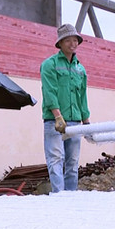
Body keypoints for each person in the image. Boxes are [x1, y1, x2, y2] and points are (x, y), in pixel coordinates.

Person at [40, 23, 91, 192]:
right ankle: (59, 197)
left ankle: (71, 196)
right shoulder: (50, 64)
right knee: (56, 159)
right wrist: (57, 116)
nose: (72, 43)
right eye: (68, 40)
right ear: (60, 43)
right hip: (54, 121)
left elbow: (82, 97)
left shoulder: (80, 69)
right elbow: (49, 92)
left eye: (75, 40)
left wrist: (86, 121)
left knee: (73, 163)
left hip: (75, 121)